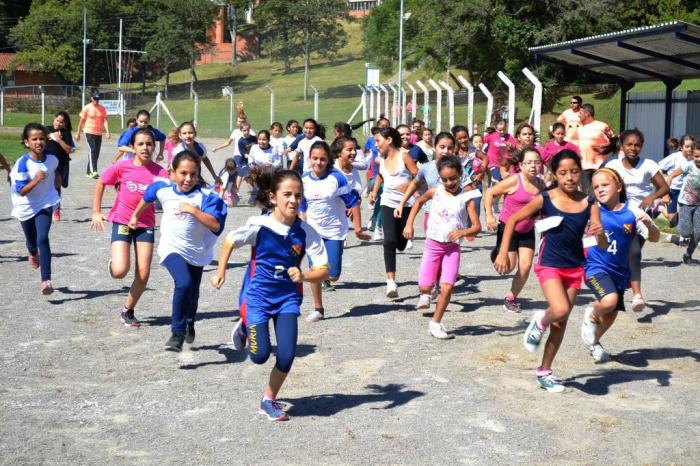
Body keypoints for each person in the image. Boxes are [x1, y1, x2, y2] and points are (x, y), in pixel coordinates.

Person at [210, 169, 329, 422]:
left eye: (298, 195)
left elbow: (323, 269)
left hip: (287, 299)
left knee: (286, 355)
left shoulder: (307, 232)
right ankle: (245, 326)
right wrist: (221, 272)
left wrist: (305, 276)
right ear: (273, 197)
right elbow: (231, 240)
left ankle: (268, 400)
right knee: (260, 355)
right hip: (259, 299)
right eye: (287, 194)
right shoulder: (259, 225)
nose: (293, 200)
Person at [494, 150, 606, 393]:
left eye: (574, 171)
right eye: (563, 172)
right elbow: (512, 220)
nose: (569, 177)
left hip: (575, 267)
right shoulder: (544, 198)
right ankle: (539, 319)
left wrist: (599, 232)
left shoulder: (589, 203)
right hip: (549, 264)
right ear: (554, 174)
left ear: (581, 173)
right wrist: (503, 252)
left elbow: (602, 243)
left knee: (561, 322)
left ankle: (544, 371)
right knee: (560, 309)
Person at [129, 151, 227, 351]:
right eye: (183, 173)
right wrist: (135, 216)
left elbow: (216, 225)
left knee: (192, 292)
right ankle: (177, 333)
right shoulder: (162, 188)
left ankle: (190, 319)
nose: (188, 179)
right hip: (171, 248)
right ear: (172, 172)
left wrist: (193, 210)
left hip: (197, 251)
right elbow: (147, 197)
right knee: (183, 283)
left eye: (193, 174)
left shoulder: (206, 197)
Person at [91, 129, 169, 327]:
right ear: (133, 147)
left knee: (143, 275)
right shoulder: (122, 166)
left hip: (146, 225)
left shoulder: (160, 173)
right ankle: (114, 263)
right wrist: (96, 211)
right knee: (119, 271)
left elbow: (170, 197)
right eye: (140, 144)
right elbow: (101, 182)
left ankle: (127, 310)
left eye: (149, 144)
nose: (145, 147)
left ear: (154, 147)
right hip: (123, 221)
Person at [582, 168, 659, 363]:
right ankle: (591, 314)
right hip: (595, 267)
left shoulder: (632, 211)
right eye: (596, 187)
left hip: (619, 272)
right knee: (608, 301)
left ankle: (594, 344)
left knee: (612, 314)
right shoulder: (592, 208)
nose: (599, 189)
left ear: (618, 187)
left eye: (604, 185)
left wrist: (649, 225)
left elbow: (655, 238)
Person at [403, 155, 481, 339]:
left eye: (453, 178)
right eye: (444, 179)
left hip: (452, 249)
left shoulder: (467, 197)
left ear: (461, 174)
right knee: (424, 286)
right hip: (432, 246)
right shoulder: (435, 191)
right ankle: (427, 291)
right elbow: (419, 202)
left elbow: (477, 227)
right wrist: (409, 224)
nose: (449, 183)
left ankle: (436, 323)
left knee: (448, 287)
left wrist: (464, 232)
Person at [301, 140, 370, 322]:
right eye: (314, 158)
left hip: (334, 231)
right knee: (315, 268)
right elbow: (302, 205)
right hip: (313, 232)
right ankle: (318, 309)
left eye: (322, 159)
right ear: (309, 159)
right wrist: (300, 224)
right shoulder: (304, 180)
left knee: (333, 275)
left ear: (328, 159)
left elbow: (353, 201)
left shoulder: (336, 178)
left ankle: (320, 275)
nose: (318, 162)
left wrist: (358, 229)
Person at [604, 129, 669, 311]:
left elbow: (664, 187)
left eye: (637, 145)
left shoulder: (648, 164)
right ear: (622, 146)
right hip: (619, 214)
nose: (633, 148)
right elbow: (600, 184)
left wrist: (651, 197)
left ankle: (634, 294)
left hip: (641, 215)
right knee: (624, 253)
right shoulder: (613, 166)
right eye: (629, 144)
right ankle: (631, 294)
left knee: (633, 252)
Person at [484, 147, 545, 313]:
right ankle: (497, 252)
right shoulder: (514, 181)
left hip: (527, 230)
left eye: (537, 162)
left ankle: (510, 298)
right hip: (508, 229)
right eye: (529, 163)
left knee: (525, 267)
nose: (533, 166)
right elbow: (490, 193)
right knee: (507, 268)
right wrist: (489, 215)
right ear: (521, 165)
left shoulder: (541, 185)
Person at [10, 123, 62, 294]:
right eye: (34, 139)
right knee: (32, 241)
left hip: (45, 203)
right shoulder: (22, 164)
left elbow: (55, 171)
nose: (38, 142)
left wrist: (57, 182)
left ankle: (46, 280)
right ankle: (32, 252)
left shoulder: (52, 159)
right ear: (27, 142)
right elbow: (22, 191)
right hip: (25, 205)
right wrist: (37, 179)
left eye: (41, 138)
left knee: (42, 238)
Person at [369, 127, 419, 298]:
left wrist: (408, 186)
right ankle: (391, 282)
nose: (376, 144)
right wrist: (375, 191)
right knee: (388, 240)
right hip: (387, 202)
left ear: (389, 140)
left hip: (406, 204)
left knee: (401, 243)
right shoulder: (379, 159)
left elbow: (418, 176)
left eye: (378, 141)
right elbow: (381, 176)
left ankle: (403, 242)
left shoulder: (404, 156)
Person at [666, 141, 700, 264]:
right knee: (685, 232)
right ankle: (677, 216)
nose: (698, 159)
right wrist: (665, 193)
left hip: (699, 205)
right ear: (692, 156)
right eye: (696, 156)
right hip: (685, 203)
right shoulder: (688, 166)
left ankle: (688, 255)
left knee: (698, 233)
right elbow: (670, 176)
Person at [212, 103, 256, 189]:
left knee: (248, 175)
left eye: (243, 121)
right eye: (239, 121)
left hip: (249, 156)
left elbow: (257, 144)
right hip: (238, 156)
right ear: (236, 122)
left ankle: (252, 194)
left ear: (246, 121)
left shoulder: (250, 132)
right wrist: (217, 148)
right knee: (238, 173)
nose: (241, 123)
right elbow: (228, 143)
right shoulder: (235, 131)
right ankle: (233, 192)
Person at [45, 111, 75, 222]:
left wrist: (58, 140)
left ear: (65, 124)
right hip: (46, 163)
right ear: (54, 119)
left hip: (60, 163)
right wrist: (50, 135)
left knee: (58, 186)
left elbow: (69, 149)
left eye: (61, 122)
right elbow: (40, 138)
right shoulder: (46, 129)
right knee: (46, 185)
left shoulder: (66, 133)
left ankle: (56, 209)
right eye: (57, 120)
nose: (58, 123)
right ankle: (46, 208)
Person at [659, 135, 694, 226]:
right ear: (681, 147)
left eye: (692, 147)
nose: (690, 149)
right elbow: (658, 167)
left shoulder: (695, 158)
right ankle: (660, 207)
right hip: (672, 189)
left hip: (685, 190)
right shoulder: (675, 157)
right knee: (672, 219)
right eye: (687, 147)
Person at [578, 104, 614, 192]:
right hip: (584, 168)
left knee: (600, 191)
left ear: (587, 114)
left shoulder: (602, 126)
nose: (579, 115)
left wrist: (606, 147)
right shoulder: (580, 129)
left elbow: (614, 141)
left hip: (599, 166)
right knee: (587, 193)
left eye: (581, 112)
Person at [75, 89, 110, 178]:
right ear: (91, 98)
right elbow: (81, 121)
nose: (96, 100)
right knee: (92, 150)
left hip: (98, 133)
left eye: (98, 99)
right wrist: (78, 132)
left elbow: (105, 120)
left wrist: (107, 132)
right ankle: (94, 171)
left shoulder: (102, 108)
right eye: (95, 98)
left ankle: (88, 172)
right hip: (88, 131)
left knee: (96, 152)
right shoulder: (87, 107)